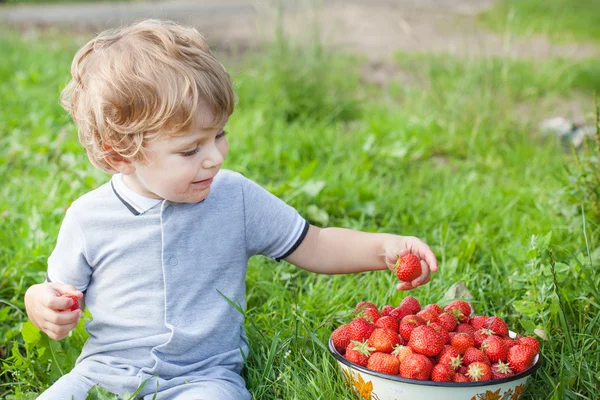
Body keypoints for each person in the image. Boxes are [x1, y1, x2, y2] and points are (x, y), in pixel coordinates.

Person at [24, 19, 438, 400]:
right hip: (105, 372)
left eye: (218, 135)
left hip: (203, 377)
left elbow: (316, 244)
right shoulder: (89, 217)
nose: (215, 158)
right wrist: (40, 303)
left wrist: (385, 247)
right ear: (121, 157)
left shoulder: (235, 197)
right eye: (189, 149)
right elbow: (57, 290)